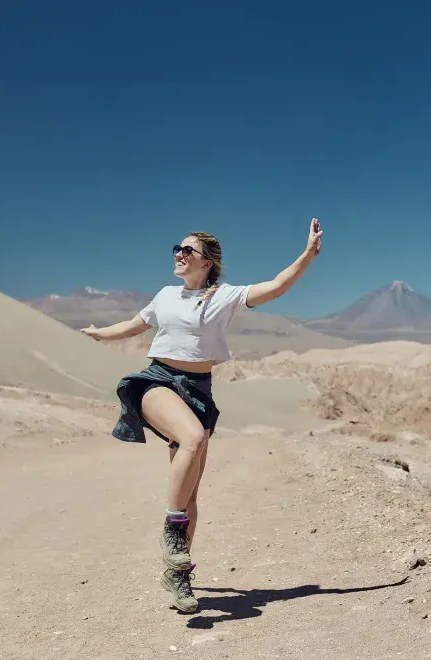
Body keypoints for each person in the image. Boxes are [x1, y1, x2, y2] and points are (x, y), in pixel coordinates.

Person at [79, 218, 323, 614]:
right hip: (157, 381)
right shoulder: (164, 295)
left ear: (207, 261)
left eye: (187, 250)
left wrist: (308, 255)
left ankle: (178, 575)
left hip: (198, 390)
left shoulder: (224, 296)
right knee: (192, 438)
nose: (178, 254)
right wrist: (99, 332)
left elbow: (276, 286)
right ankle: (172, 531)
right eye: (177, 248)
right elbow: (133, 327)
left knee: (191, 492)